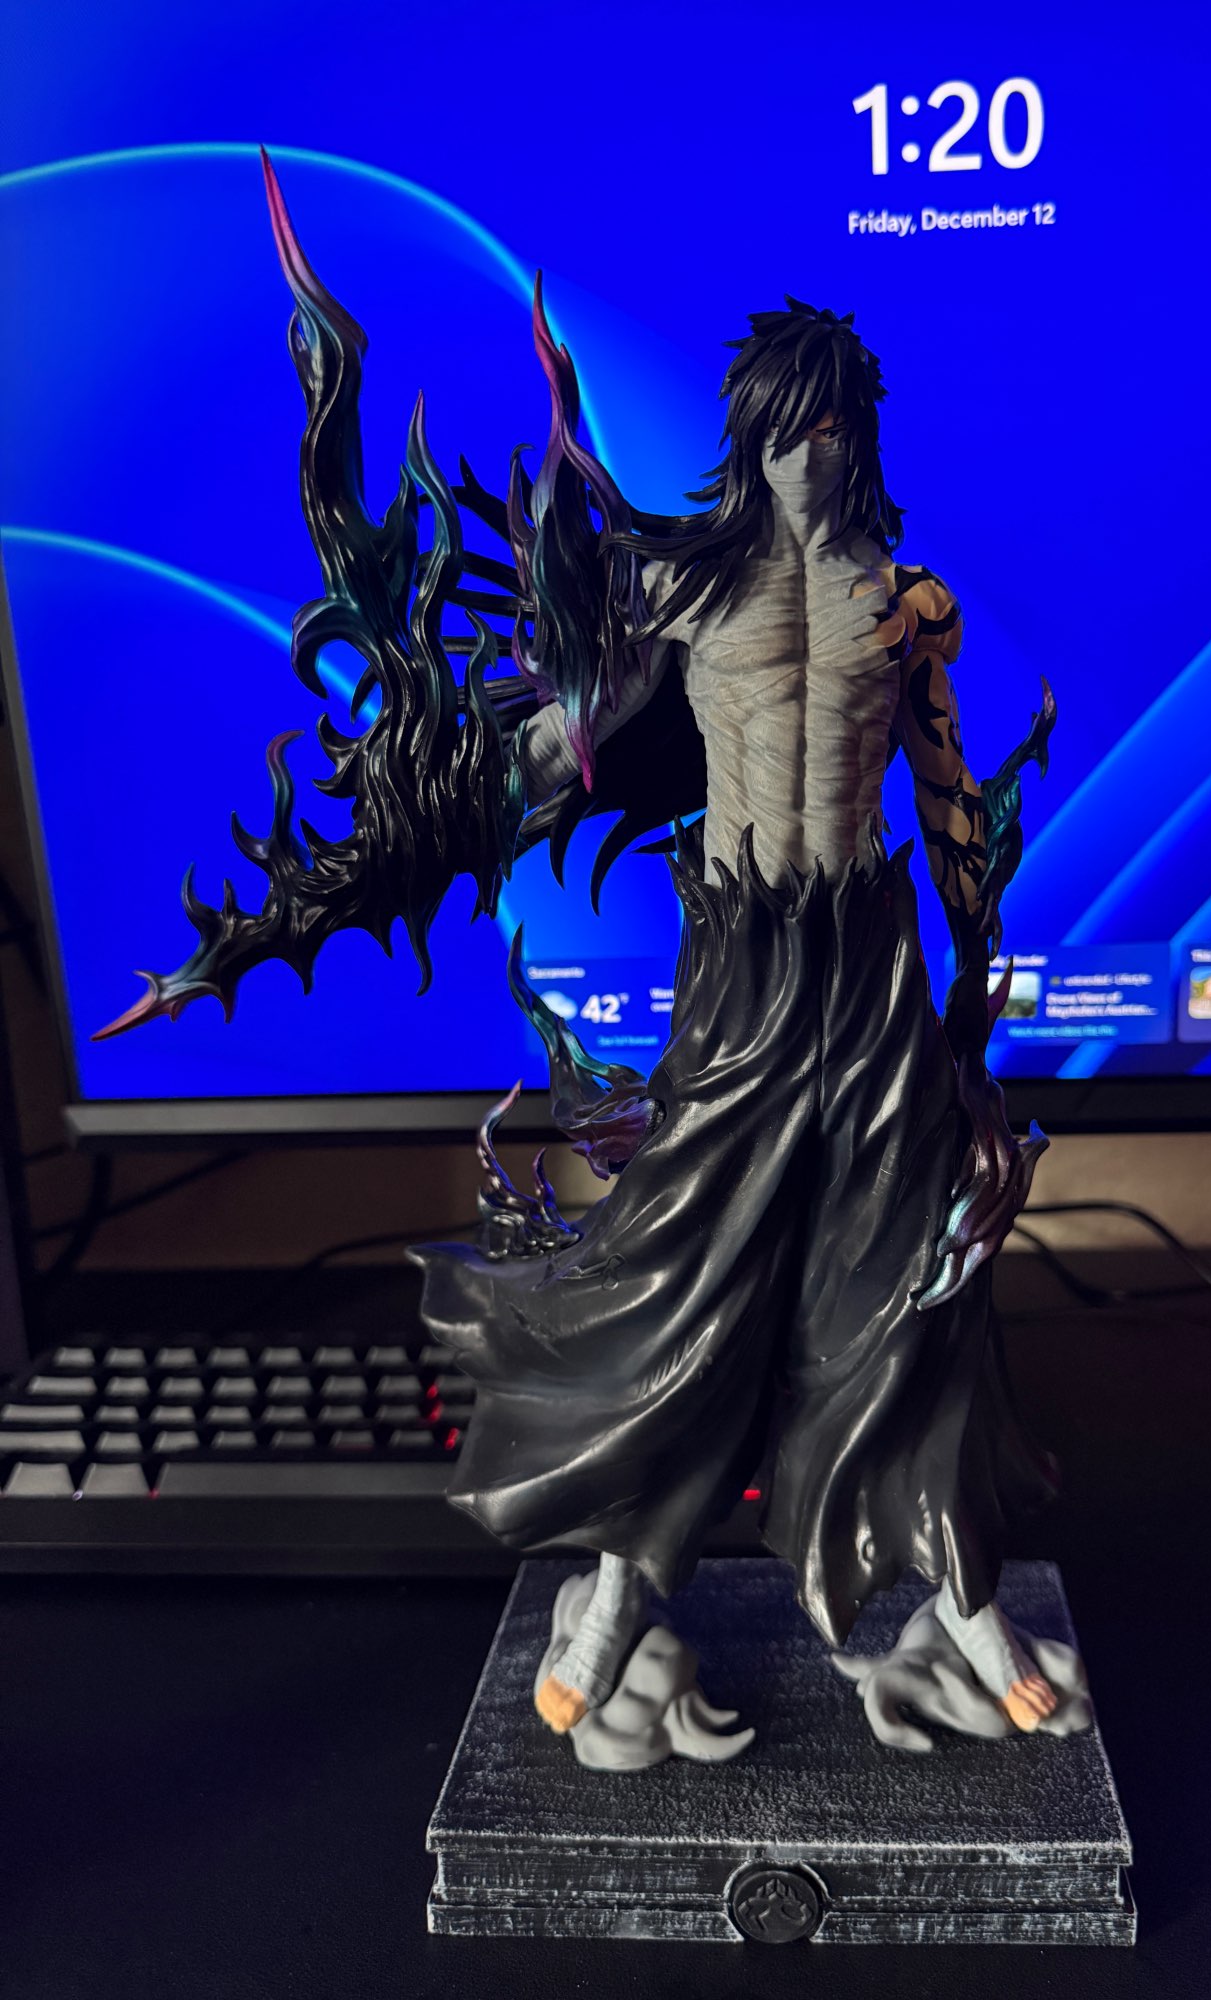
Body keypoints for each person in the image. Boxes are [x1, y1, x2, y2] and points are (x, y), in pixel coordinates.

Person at [98, 152, 1061, 1743]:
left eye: (830, 428)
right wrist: (450, 791)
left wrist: (973, 986)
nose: (808, 455)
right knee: (681, 1279)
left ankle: (961, 1597)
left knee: (915, 1283)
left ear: (857, 432)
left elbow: (949, 795)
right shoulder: (686, 595)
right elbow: (560, 746)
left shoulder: (909, 608)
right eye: (784, 430)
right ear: (752, 436)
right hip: (744, 976)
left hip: (871, 970)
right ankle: (619, 1589)